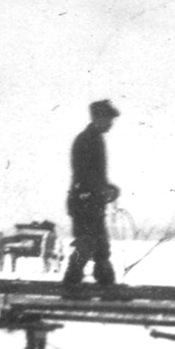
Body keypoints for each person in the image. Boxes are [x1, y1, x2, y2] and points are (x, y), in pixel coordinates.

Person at [62, 99, 122, 290]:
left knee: (99, 247)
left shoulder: (94, 139)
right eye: (109, 119)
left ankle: (106, 287)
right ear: (98, 118)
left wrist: (108, 188)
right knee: (87, 246)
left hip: (90, 202)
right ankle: (72, 285)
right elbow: (84, 175)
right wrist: (103, 190)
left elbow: (93, 176)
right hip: (84, 204)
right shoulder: (87, 140)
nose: (111, 124)